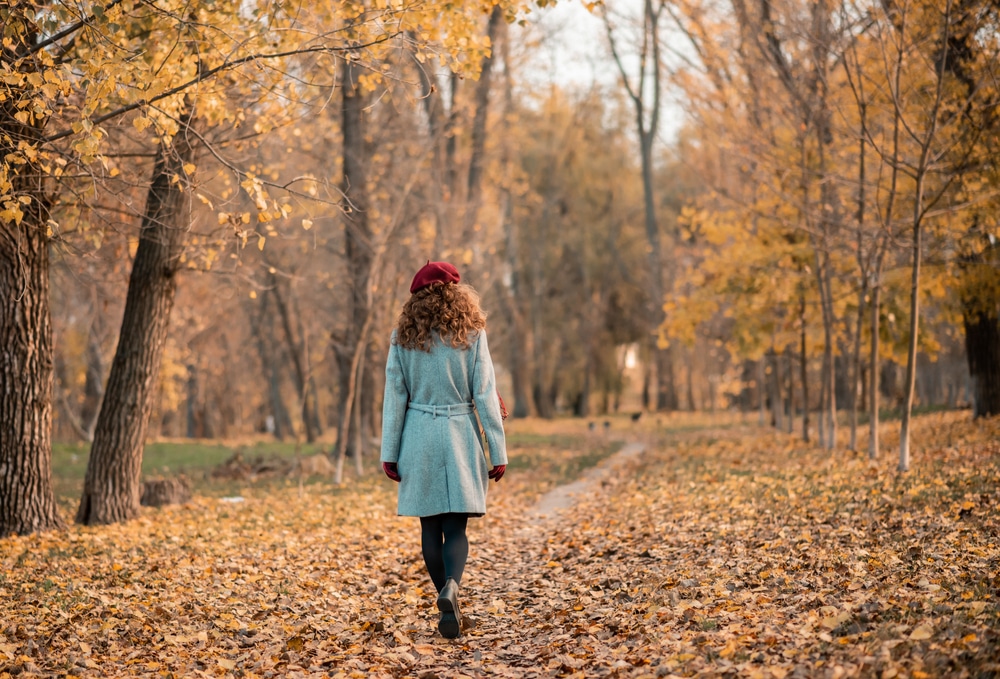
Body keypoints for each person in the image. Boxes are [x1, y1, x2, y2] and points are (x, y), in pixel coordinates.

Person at [379, 261, 507, 639]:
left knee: (429, 528)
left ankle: (444, 597)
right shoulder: (472, 333)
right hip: (460, 435)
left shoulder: (402, 336)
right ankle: (452, 587)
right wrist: (497, 449)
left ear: (416, 297)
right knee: (457, 527)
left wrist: (390, 451)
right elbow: (483, 392)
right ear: (457, 293)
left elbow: (395, 396)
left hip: (418, 434)